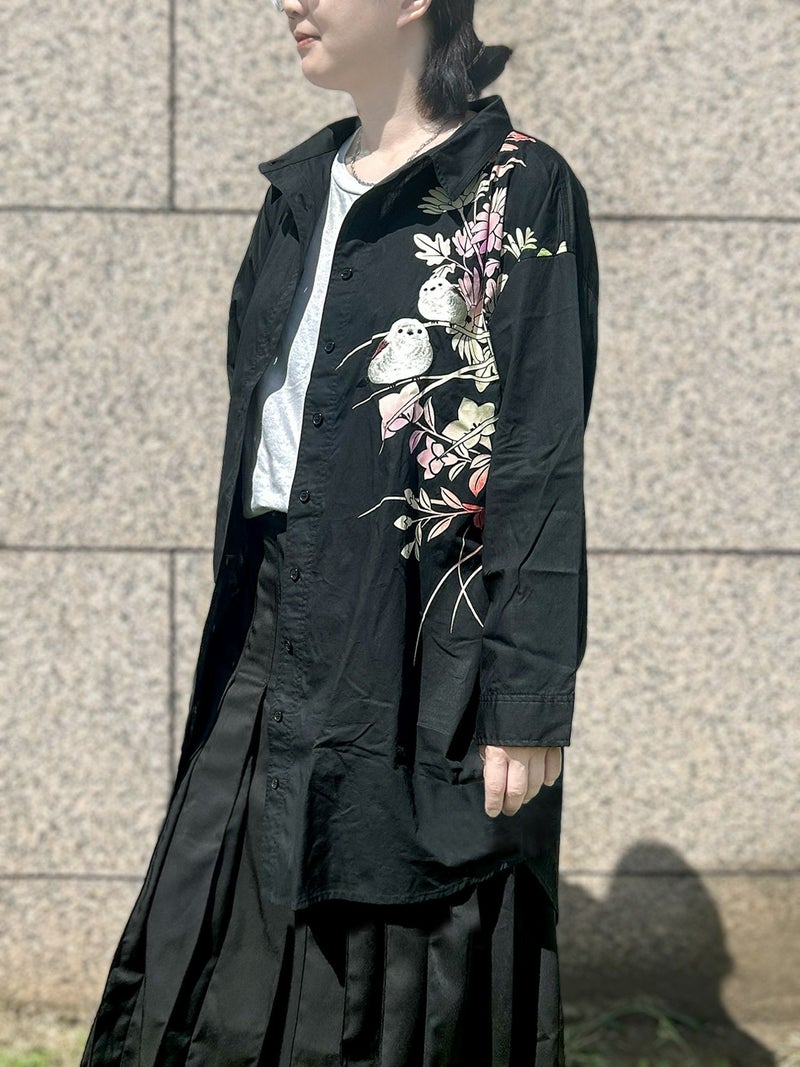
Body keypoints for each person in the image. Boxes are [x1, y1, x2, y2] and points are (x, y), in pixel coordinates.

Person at [79, 0, 599, 1063]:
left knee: (399, 939)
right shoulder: (298, 190)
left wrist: (527, 695)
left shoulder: (517, 189)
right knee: (206, 925)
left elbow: (539, 452)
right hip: (268, 621)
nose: (292, 1)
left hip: (418, 634)